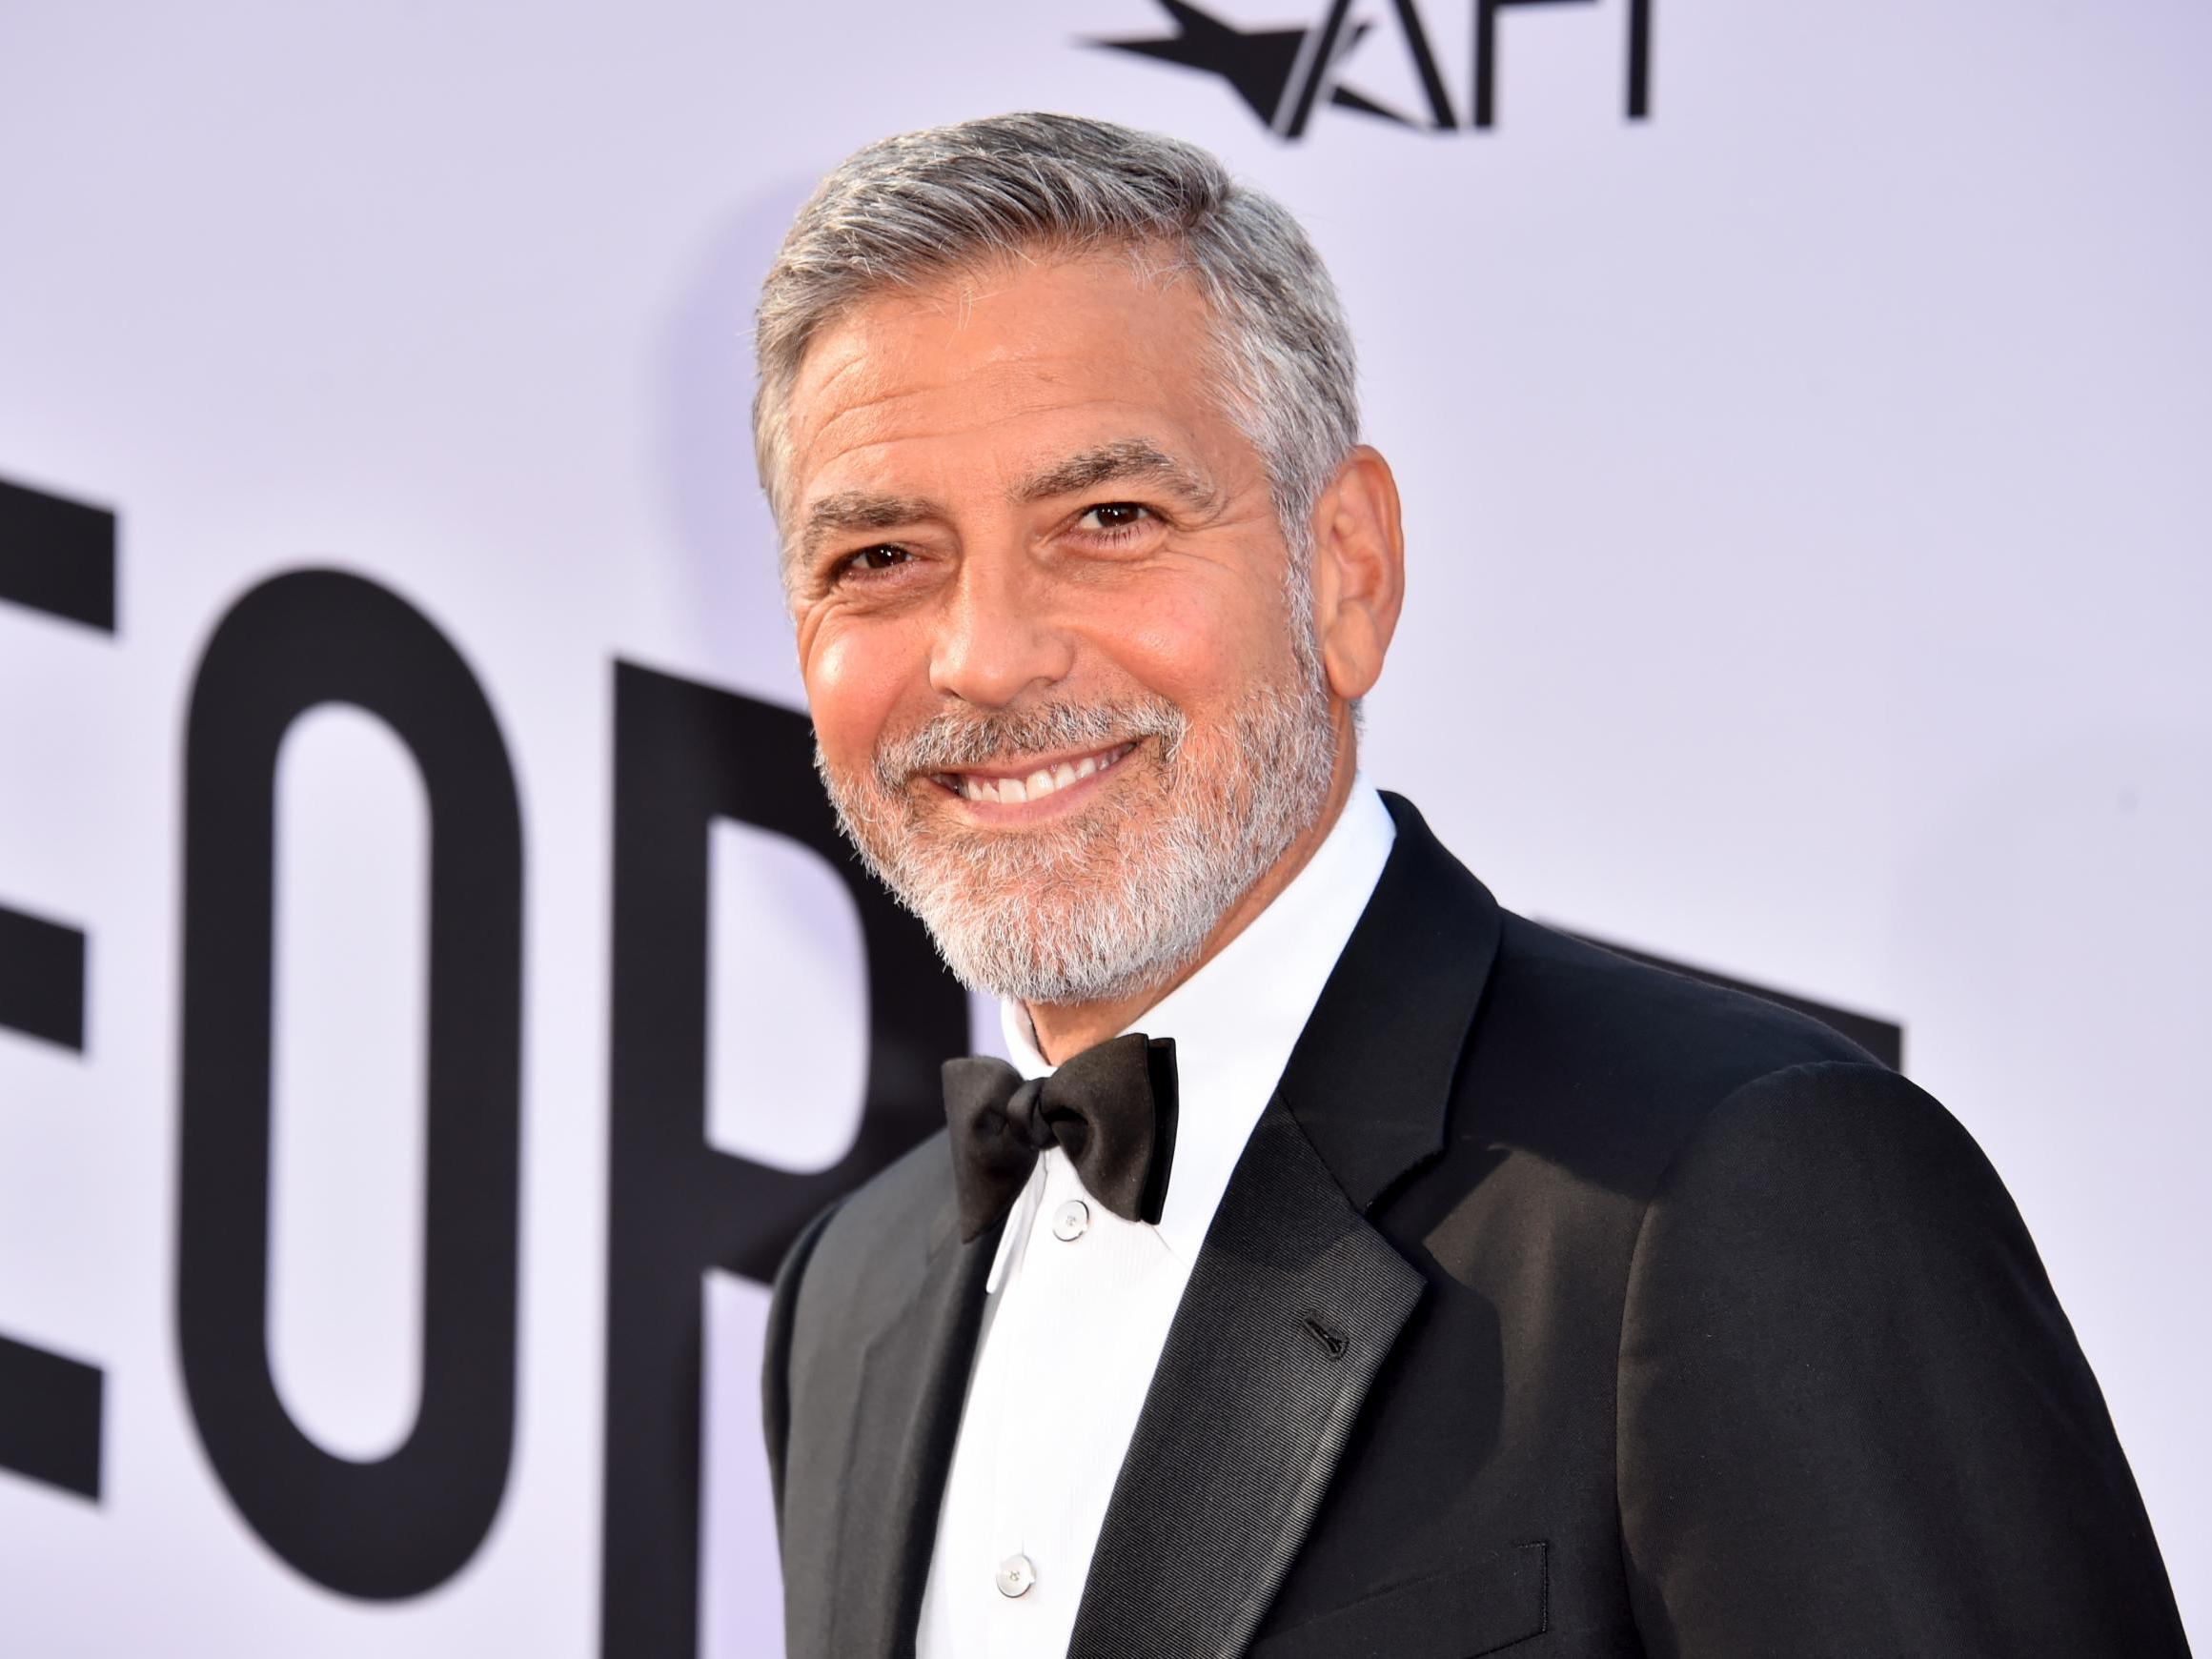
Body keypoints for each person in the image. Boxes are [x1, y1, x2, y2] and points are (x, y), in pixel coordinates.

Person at [754, 111, 2188, 1659]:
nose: (983, 655)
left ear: (1346, 569)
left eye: (1109, 520)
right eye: (879, 556)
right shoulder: (848, 1295)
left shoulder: (1735, 1184)